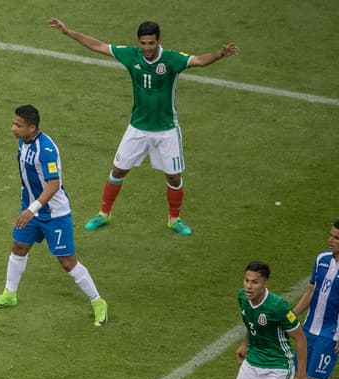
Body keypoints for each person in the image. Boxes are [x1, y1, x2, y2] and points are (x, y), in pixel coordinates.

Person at [47, 18, 239, 236]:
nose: (147, 48)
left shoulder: (171, 59)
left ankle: (174, 219)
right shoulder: (132, 55)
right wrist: (67, 32)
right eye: (143, 43)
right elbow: (99, 45)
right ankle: (103, 213)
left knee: (174, 177)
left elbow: (199, 61)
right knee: (118, 170)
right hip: (137, 128)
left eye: (151, 43)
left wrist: (219, 54)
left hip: (166, 129)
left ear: (158, 41)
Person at [0, 105, 108, 327]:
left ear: (32, 128)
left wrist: (33, 208)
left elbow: (54, 184)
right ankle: (9, 295)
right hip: (31, 209)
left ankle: (98, 302)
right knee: (19, 247)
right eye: (13, 123)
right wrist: (28, 205)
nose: (13, 128)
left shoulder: (46, 150)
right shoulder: (23, 142)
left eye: (18, 125)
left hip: (54, 214)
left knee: (67, 262)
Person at [292, 220, 339, 379]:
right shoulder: (322, 260)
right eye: (331, 235)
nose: (331, 240)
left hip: (331, 333)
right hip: (308, 329)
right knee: (303, 376)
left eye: (336, 238)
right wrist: (292, 315)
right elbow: (311, 291)